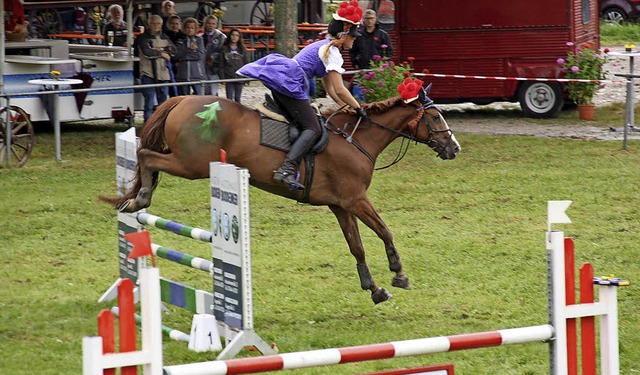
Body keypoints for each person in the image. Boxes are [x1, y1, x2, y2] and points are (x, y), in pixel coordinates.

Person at [238, 0, 366, 189]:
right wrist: (359, 108)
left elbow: (331, 90)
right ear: (344, 32)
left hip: (286, 80)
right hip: (290, 83)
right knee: (313, 128)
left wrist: (345, 107)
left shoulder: (325, 46)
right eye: (353, 36)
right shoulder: (332, 52)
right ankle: (286, 169)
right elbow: (340, 89)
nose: (355, 40)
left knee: (303, 123)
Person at [137, 15, 175, 122]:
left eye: (158, 23)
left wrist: (158, 49)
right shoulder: (143, 37)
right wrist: (163, 53)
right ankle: (148, 128)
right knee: (149, 103)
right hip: (148, 73)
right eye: (153, 23)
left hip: (163, 74)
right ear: (148, 25)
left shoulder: (165, 37)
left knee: (163, 104)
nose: (156, 26)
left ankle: (161, 126)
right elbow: (147, 52)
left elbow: (173, 51)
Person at [173, 17, 206, 95]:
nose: (190, 30)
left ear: (195, 29)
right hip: (183, 75)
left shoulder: (199, 40)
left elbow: (199, 55)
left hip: (197, 75)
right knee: (185, 99)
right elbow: (176, 56)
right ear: (184, 28)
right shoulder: (180, 41)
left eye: (192, 28)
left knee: (200, 99)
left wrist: (184, 57)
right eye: (188, 28)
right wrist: (188, 50)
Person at [219, 28, 250, 103]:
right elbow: (221, 63)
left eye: (237, 35)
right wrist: (222, 77)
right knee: (229, 99)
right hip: (229, 76)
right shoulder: (224, 49)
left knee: (237, 98)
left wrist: (247, 78)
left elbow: (246, 62)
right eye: (233, 35)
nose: (234, 37)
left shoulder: (242, 49)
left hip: (239, 76)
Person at [201, 15, 226, 95]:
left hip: (215, 67)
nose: (210, 25)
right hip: (203, 66)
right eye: (208, 23)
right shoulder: (201, 37)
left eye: (213, 23)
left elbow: (223, 51)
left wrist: (213, 58)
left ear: (216, 25)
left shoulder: (221, 37)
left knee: (213, 89)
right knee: (205, 88)